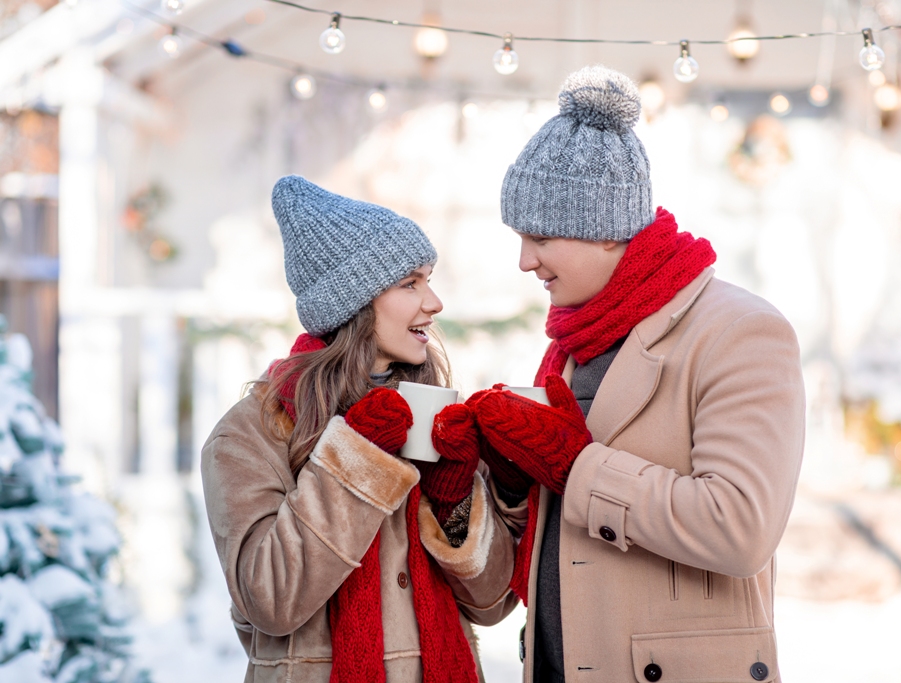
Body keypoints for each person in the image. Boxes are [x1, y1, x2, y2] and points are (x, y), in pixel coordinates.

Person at [467, 66, 806, 683]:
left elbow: (740, 527)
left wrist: (574, 466)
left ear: (603, 230)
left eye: (539, 237)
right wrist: (513, 483)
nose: (524, 261)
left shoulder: (740, 332)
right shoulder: (572, 342)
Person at [201, 175, 517, 683]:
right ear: (354, 300)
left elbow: (492, 603)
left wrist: (456, 498)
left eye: (428, 280)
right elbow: (272, 599)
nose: (434, 302)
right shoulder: (250, 435)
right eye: (409, 283)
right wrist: (357, 459)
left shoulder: (430, 415)